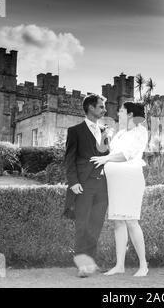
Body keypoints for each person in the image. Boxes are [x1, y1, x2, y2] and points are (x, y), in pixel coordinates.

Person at [90, 102, 149, 277]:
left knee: (131, 220)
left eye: (122, 111)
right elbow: (105, 150)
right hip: (114, 181)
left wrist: (105, 159)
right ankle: (120, 265)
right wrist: (104, 136)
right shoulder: (120, 133)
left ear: (130, 114)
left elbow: (126, 155)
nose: (118, 113)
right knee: (118, 222)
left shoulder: (140, 131)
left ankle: (143, 266)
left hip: (130, 180)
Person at [63, 94, 110, 278]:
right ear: (91, 107)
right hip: (83, 185)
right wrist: (73, 182)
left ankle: (91, 263)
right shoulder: (75, 131)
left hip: (102, 186)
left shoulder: (104, 130)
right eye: (101, 106)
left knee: (95, 225)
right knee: (82, 226)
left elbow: (108, 156)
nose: (104, 110)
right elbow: (69, 159)